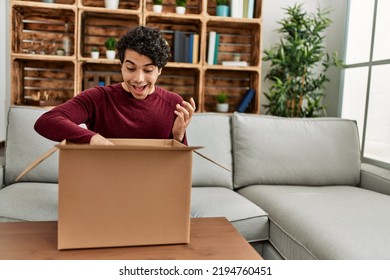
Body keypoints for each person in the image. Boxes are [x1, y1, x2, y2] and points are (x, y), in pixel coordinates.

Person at [34, 25, 196, 145]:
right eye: (131, 68)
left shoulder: (173, 104)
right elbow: (47, 121)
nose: (138, 78)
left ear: (159, 70)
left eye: (148, 70)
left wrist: (178, 137)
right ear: (121, 65)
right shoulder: (97, 98)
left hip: (152, 185)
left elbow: (178, 166)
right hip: (106, 183)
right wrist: (94, 139)